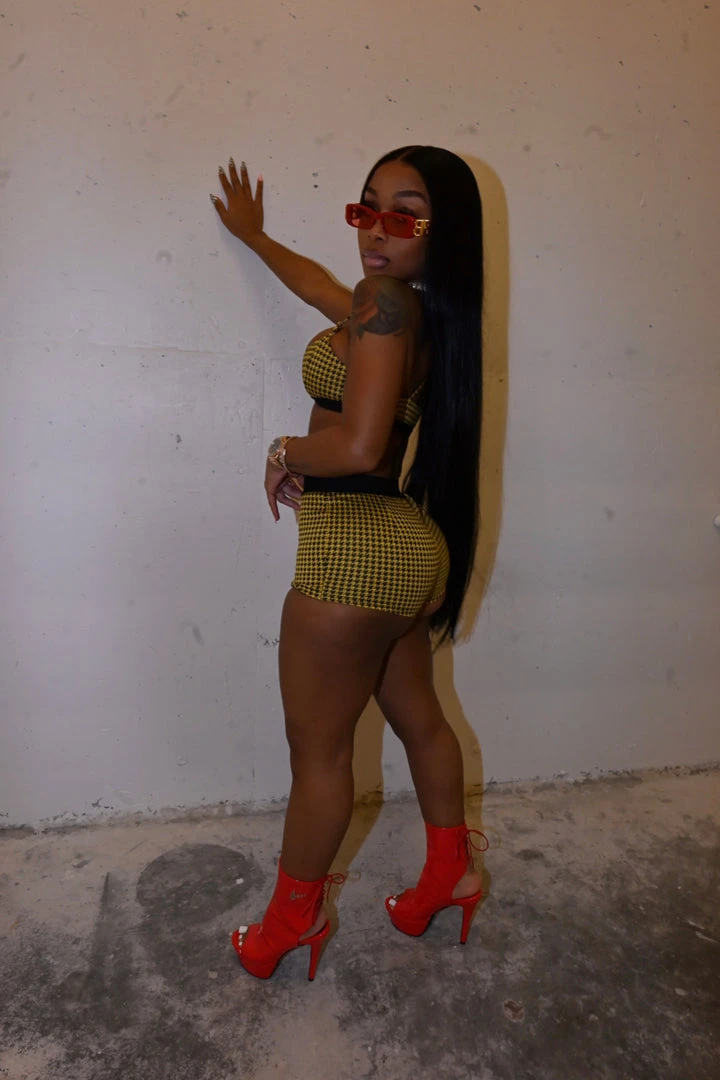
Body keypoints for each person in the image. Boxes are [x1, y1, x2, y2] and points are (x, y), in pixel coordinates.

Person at [210, 145, 487, 981]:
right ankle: (451, 874)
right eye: (365, 207)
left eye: (405, 214)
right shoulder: (417, 314)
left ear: (444, 232)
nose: (376, 228)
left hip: (351, 561)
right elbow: (318, 288)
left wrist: (282, 449)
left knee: (321, 760)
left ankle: (288, 926)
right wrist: (256, 238)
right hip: (409, 552)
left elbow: (361, 446)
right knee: (422, 721)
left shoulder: (387, 303)